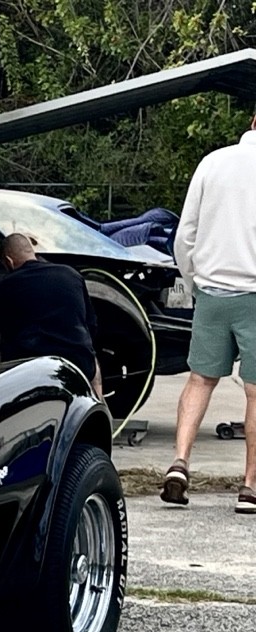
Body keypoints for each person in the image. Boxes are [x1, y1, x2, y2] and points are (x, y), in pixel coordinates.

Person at [160, 110, 256, 514]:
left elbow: (186, 234)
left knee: (200, 380)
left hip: (212, 291)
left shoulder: (212, 162)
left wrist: (195, 279)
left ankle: (180, 462)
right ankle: (250, 486)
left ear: (252, 122)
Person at [0, 233, 103, 399]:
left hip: (31, 366)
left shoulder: (4, 286)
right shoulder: (71, 274)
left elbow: (6, 334)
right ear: (32, 252)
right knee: (94, 364)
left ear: (9, 261)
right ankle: (99, 406)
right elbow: (91, 324)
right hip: (78, 363)